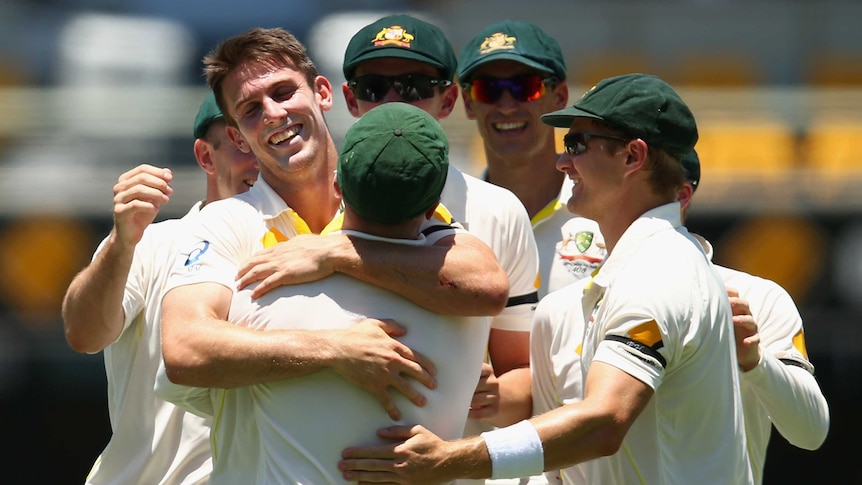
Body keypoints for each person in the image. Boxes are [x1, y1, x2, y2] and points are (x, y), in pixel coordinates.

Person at [338, 73, 754, 484]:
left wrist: (451, 458)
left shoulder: (657, 274)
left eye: (576, 144)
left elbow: (604, 421)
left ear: (632, 157)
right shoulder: (653, 263)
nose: (561, 160)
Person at [157, 26, 509, 480]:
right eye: (250, 110)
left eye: (284, 92)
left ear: (322, 92)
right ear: (238, 137)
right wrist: (334, 350)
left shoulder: (383, 197)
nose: (273, 113)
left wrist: (337, 252)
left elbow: (485, 284)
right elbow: (184, 349)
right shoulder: (223, 224)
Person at [530, 149, 829, 484]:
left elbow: (811, 430)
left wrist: (755, 361)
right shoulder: (559, 310)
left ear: (682, 196)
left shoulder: (759, 297)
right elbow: (550, 465)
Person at [341, 13, 540, 434]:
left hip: (454, 465)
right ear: (349, 98)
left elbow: (521, 374)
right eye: (373, 88)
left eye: (414, 87)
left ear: (448, 100)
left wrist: (496, 397)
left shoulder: (498, 209)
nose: (393, 102)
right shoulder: (315, 199)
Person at [60, 92, 259, 484]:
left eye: (267, 141)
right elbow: (83, 333)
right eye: (241, 145)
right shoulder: (152, 242)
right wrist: (121, 243)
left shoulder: (308, 246)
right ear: (205, 156)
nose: (259, 161)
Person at [456, 20, 606, 299]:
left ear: (559, 96)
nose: (507, 105)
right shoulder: (451, 220)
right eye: (488, 89)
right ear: (468, 102)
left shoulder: (608, 213)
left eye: (525, 88)